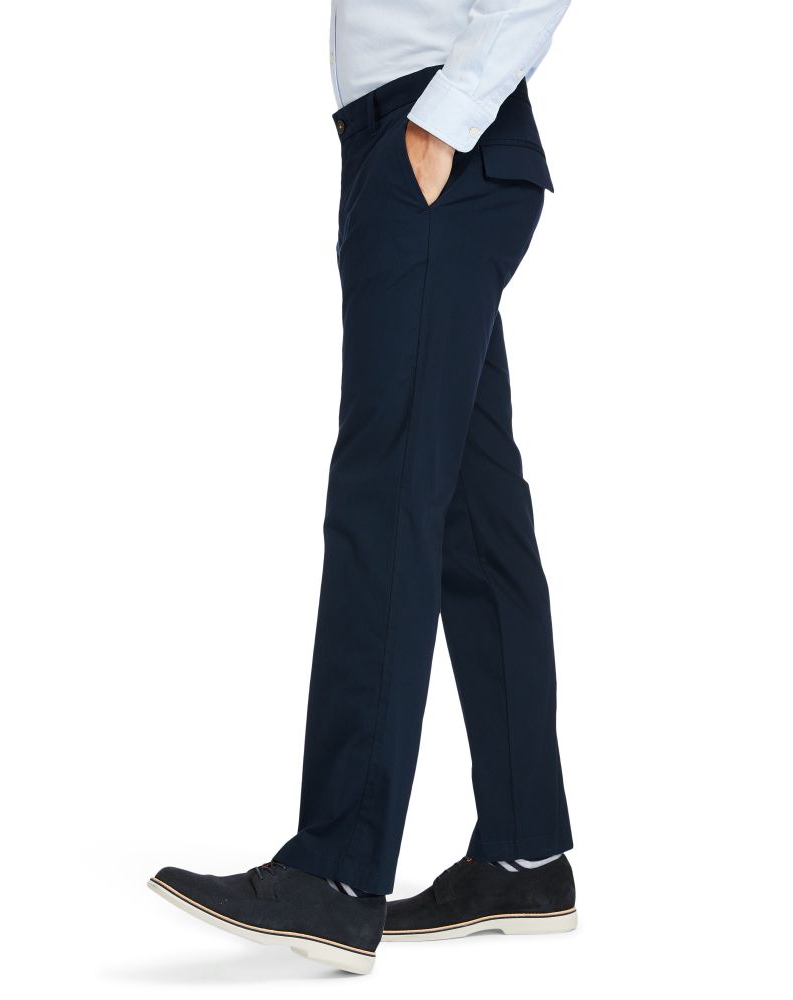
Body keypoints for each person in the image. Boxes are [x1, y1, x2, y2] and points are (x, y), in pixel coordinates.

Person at [149, 0, 576, 974]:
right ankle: (525, 852)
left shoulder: (440, 123)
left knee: (384, 502)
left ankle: (336, 875)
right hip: (425, 143)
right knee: (472, 514)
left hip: (439, 138)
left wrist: (441, 122)